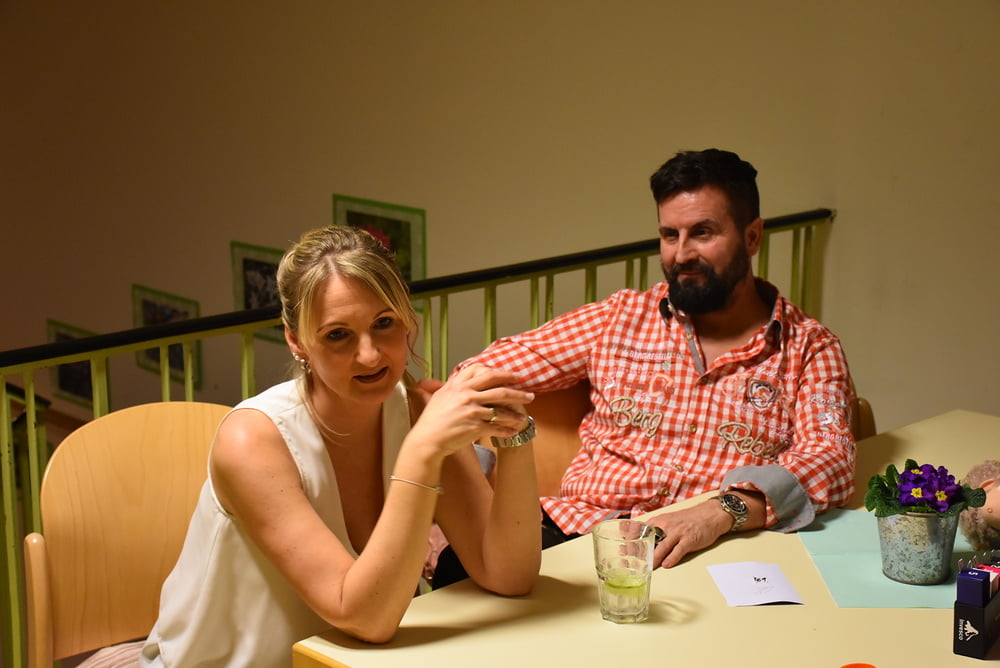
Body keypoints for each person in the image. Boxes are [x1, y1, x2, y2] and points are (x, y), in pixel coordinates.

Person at [140, 226, 541, 667]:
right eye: (337, 335)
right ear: (296, 340)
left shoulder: (415, 412)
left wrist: (515, 436)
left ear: (407, 319)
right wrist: (421, 452)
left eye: (384, 323)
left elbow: (509, 576)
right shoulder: (251, 440)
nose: (369, 355)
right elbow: (366, 620)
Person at [455, 148, 856, 571]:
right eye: (669, 235)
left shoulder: (809, 348)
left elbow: (830, 457)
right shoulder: (618, 319)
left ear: (752, 237)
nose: (681, 254)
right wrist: (462, 490)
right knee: (458, 571)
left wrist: (723, 511)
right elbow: (476, 376)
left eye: (703, 233)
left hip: (706, 555)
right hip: (579, 534)